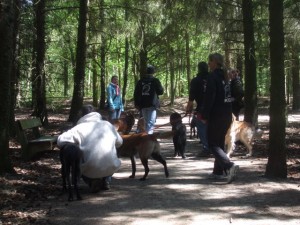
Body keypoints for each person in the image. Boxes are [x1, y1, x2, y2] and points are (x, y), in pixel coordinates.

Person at [57, 105, 123, 192]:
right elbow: (120, 142)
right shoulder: (108, 125)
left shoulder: (78, 128)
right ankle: (106, 180)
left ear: (82, 115)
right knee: (110, 152)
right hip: (111, 166)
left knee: (80, 159)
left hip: (89, 167)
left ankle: (92, 181)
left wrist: (77, 142)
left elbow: (60, 141)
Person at [200, 53, 239, 183]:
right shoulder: (226, 76)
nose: (208, 64)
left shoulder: (212, 77)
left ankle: (229, 165)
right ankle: (218, 172)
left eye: (210, 61)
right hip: (227, 114)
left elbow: (209, 98)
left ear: (215, 62)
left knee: (212, 143)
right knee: (220, 142)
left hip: (216, 114)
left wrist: (204, 115)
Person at [186, 62, 210, 156]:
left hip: (201, 108)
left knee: (201, 128)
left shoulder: (195, 81)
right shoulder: (212, 78)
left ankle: (206, 148)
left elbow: (191, 98)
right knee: (211, 127)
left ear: (199, 69)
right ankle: (214, 147)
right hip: (214, 108)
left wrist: (188, 109)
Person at [134, 65, 164, 134]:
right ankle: (148, 138)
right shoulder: (155, 81)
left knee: (146, 121)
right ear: (153, 72)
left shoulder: (140, 81)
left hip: (143, 104)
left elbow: (136, 93)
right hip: (152, 104)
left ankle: (146, 137)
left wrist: (136, 104)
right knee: (150, 123)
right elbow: (160, 91)